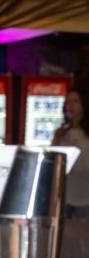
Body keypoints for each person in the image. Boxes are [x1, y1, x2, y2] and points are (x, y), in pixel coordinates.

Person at [53, 86, 89, 218]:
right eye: (68, 102)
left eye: (75, 101)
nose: (71, 106)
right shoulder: (61, 133)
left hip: (85, 198)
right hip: (65, 196)